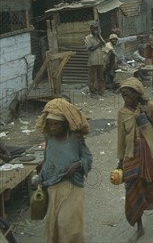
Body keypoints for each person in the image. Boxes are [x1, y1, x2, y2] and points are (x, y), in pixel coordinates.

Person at [116, 77, 153, 243]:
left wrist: (150, 118)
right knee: (132, 186)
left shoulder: (150, 106)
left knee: (151, 183)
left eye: (129, 95)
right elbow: (121, 138)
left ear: (137, 94)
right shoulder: (122, 113)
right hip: (131, 155)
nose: (126, 98)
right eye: (123, 95)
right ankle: (140, 228)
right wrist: (120, 161)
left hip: (148, 153)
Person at [35, 99, 92, 243]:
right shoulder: (48, 138)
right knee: (54, 224)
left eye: (56, 124)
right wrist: (40, 178)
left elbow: (87, 157)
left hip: (72, 186)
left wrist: (77, 165)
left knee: (67, 224)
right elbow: (48, 160)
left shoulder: (74, 139)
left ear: (65, 124)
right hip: (53, 187)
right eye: (50, 123)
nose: (52, 127)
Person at [85, 22, 106, 97]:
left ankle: (101, 92)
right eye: (94, 28)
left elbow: (104, 44)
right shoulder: (87, 38)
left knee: (101, 78)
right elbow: (91, 48)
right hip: (92, 61)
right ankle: (93, 93)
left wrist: (99, 36)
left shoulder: (99, 36)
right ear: (91, 29)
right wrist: (99, 44)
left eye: (97, 28)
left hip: (100, 60)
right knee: (92, 78)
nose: (96, 30)